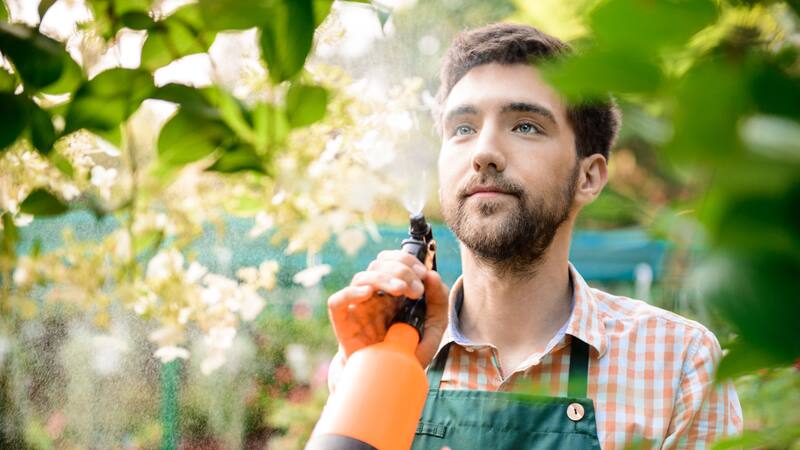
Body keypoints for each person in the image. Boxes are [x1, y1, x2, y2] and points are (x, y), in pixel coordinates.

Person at [325, 23, 742, 449]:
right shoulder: (382, 356)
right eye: (463, 129)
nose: (484, 152)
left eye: (525, 126)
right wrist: (372, 371)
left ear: (589, 176)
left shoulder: (679, 363)